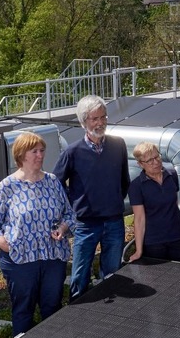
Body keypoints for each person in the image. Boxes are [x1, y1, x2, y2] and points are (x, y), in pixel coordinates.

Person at [0, 131, 74, 335]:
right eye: (34, 151)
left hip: (52, 257)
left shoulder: (53, 182)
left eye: (42, 150)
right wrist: (0, 241)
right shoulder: (7, 186)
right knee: (23, 311)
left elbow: (69, 214)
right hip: (21, 260)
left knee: (52, 307)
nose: (40, 155)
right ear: (21, 155)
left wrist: (62, 228)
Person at [54, 95, 129, 301]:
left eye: (103, 117)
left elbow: (124, 181)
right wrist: (73, 205)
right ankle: (78, 311)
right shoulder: (72, 152)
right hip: (85, 224)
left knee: (112, 272)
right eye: (94, 119)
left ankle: (110, 313)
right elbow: (56, 183)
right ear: (83, 122)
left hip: (114, 220)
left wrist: (113, 200)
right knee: (80, 274)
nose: (100, 123)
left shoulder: (118, 146)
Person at [127, 141, 180, 263]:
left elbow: (174, 204)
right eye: (150, 160)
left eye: (157, 157)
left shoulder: (172, 174)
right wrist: (138, 250)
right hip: (154, 242)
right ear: (140, 164)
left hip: (177, 237)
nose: (156, 162)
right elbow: (139, 219)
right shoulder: (136, 186)